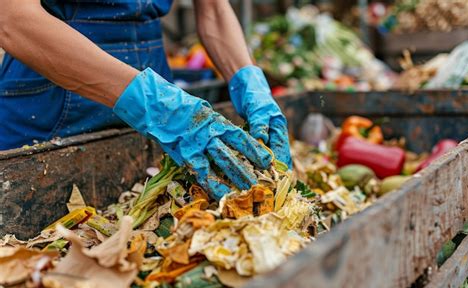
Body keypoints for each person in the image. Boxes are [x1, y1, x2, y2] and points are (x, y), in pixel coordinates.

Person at [0, 1, 291, 199]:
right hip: (51, 86)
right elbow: (13, 18)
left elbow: (214, 9)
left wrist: (251, 84)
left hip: (153, 78)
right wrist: (155, 104)